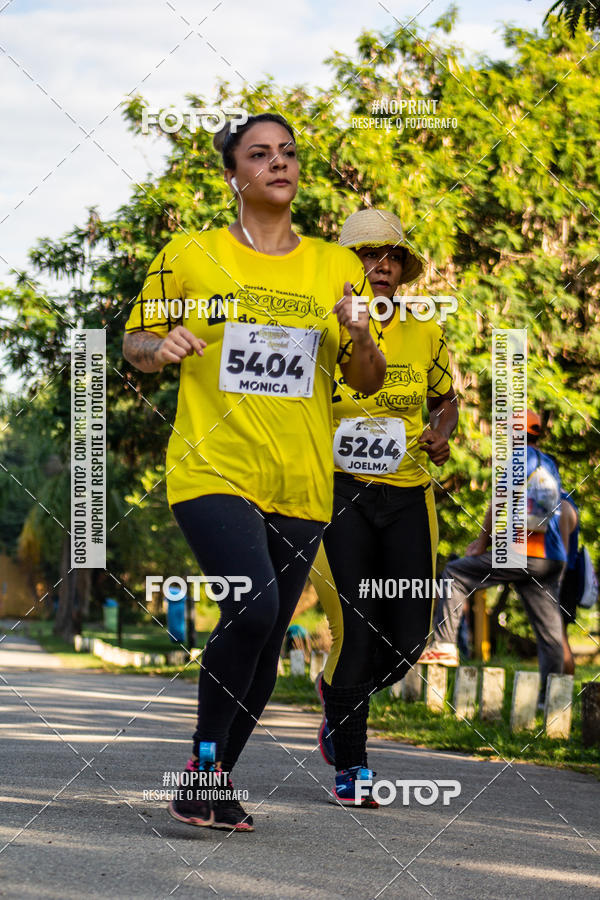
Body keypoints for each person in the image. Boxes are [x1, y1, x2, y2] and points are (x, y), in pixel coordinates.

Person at [122, 113, 385, 831]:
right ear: (233, 173)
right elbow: (134, 342)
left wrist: (361, 334)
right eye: (259, 153)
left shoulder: (335, 265)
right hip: (213, 466)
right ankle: (203, 769)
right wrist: (160, 344)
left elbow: (366, 379)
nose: (279, 163)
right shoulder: (190, 253)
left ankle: (210, 781)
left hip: (302, 478)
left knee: (265, 643)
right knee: (257, 608)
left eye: (289, 153)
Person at [310, 208, 458, 805]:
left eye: (393, 257)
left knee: (407, 640)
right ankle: (353, 769)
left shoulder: (425, 327)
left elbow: (446, 398)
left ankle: (335, 698)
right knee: (355, 633)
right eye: (370, 256)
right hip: (335, 491)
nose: (383, 266)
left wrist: (443, 429)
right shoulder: (320, 325)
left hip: (407, 493)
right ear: (348, 266)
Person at [419, 410, 566, 704]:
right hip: (551, 558)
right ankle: (551, 700)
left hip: (523, 554)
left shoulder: (517, 459)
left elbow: (498, 499)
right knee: (550, 634)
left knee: (455, 574)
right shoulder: (548, 463)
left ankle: (445, 644)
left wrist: (482, 543)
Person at [558, 491, 579, 675]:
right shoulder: (566, 500)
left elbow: (562, 552)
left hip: (562, 578)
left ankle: (562, 687)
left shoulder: (562, 504)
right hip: (566, 577)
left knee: (559, 635)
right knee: (558, 634)